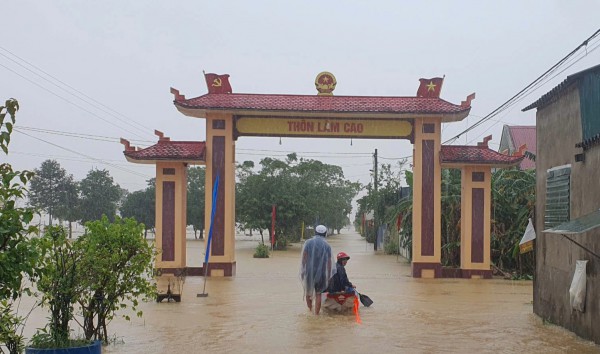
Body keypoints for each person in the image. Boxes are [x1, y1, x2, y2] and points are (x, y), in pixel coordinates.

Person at [300, 224, 334, 315]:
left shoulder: (308, 243)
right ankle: (316, 314)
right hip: (321, 273)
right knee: (319, 293)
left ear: (315, 232)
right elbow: (329, 262)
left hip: (309, 272)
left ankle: (310, 310)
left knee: (308, 292)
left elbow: (304, 258)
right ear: (325, 233)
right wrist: (329, 275)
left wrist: (302, 271)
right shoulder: (327, 245)